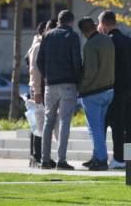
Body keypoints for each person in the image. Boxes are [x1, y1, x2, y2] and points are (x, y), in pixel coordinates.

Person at [97, 10, 131, 170]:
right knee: (129, 123)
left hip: (116, 88)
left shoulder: (108, 42)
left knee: (117, 124)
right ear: (116, 23)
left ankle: (119, 158)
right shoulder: (129, 40)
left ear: (102, 25)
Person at [37, 10, 81, 170]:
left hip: (50, 84)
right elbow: (77, 61)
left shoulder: (47, 36)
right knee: (64, 122)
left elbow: (38, 61)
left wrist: (47, 75)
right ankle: (61, 160)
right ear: (71, 22)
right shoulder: (72, 36)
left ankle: (44, 160)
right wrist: (78, 79)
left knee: (48, 122)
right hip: (68, 83)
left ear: (58, 22)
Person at [77, 17, 115, 171]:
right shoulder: (108, 41)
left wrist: (82, 86)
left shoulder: (89, 46)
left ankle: (101, 159)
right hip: (109, 90)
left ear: (83, 32)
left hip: (93, 92)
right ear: (95, 25)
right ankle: (96, 157)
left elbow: (90, 70)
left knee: (95, 129)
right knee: (100, 127)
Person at [25, 21, 54, 168]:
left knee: (43, 123)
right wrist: (37, 92)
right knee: (38, 123)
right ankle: (35, 157)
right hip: (38, 90)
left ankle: (42, 155)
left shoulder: (45, 44)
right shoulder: (38, 45)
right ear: (47, 30)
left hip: (43, 89)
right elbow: (34, 71)